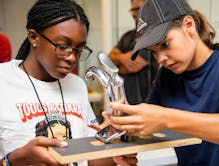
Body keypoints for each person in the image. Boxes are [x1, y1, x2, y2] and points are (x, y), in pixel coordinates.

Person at [107, 0, 219, 165]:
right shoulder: (167, 77)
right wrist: (124, 131)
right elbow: (147, 127)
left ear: (188, 25)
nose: (161, 59)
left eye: (165, 44)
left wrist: (166, 118)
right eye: (153, 52)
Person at [0, 0, 137, 166]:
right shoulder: (4, 81)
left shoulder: (77, 85)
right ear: (34, 37)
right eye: (62, 46)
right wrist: (16, 159)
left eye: (78, 49)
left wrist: (116, 150)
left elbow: (88, 159)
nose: (72, 58)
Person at [109, 0, 159, 104]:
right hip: (127, 102)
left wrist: (117, 67)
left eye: (138, 9)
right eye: (133, 10)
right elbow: (110, 57)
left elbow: (133, 66)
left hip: (148, 103)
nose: (135, 13)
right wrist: (122, 58)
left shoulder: (154, 36)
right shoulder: (127, 36)